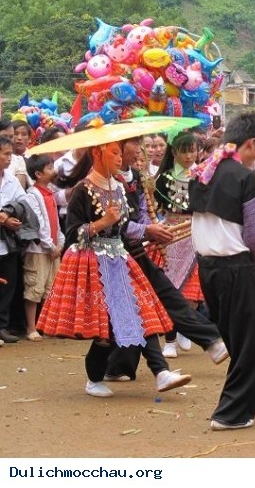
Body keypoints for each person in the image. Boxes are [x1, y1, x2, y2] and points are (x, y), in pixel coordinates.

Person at [37, 141, 192, 397]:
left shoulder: (119, 186)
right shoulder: (83, 190)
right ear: (97, 154)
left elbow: (123, 227)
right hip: (92, 265)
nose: (120, 158)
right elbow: (73, 233)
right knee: (106, 331)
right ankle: (96, 378)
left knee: (140, 312)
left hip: (119, 259)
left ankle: (161, 372)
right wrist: (102, 222)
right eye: (115, 153)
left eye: (121, 153)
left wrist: (144, 231)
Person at [189, 111, 255, 430]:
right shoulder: (246, 178)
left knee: (237, 336)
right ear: (250, 144)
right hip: (235, 266)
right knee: (244, 339)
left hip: (208, 266)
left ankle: (248, 396)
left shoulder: (200, 172)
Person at [105, 136, 228, 382]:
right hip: (111, 256)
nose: (139, 150)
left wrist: (154, 229)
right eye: (133, 144)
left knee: (162, 296)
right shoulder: (103, 182)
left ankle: (208, 341)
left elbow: (142, 213)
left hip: (136, 250)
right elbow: (112, 224)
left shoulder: (137, 178)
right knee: (136, 308)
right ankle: (146, 367)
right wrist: (146, 231)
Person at [153, 132, 203, 358]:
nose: (189, 155)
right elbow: (158, 204)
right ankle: (170, 339)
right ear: (174, 153)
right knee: (171, 289)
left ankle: (185, 326)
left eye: (193, 150)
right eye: (184, 150)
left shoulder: (202, 175)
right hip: (172, 236)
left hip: (195, 234)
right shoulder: (163, 178)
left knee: (192, 293)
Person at [23, 155, 64, 341]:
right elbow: (38, 223)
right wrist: (49, 244)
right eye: (49, 168)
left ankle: (46, 325)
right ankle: (31, 327)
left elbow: (55, 220)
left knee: (50, 288)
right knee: (35, 287)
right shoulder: (32, 195)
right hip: (39, 249)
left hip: (53, 247)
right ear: (38, 174)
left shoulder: (50, 193)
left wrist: (60, 242)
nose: (53, 171)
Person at [0, 136, 28, 344]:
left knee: (8, 285)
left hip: (7, 241)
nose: (9, 159)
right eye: (5, 154)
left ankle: (2, 326)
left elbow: (24, 202)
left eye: (10, 154)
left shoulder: (11, 180)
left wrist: (10, 216)